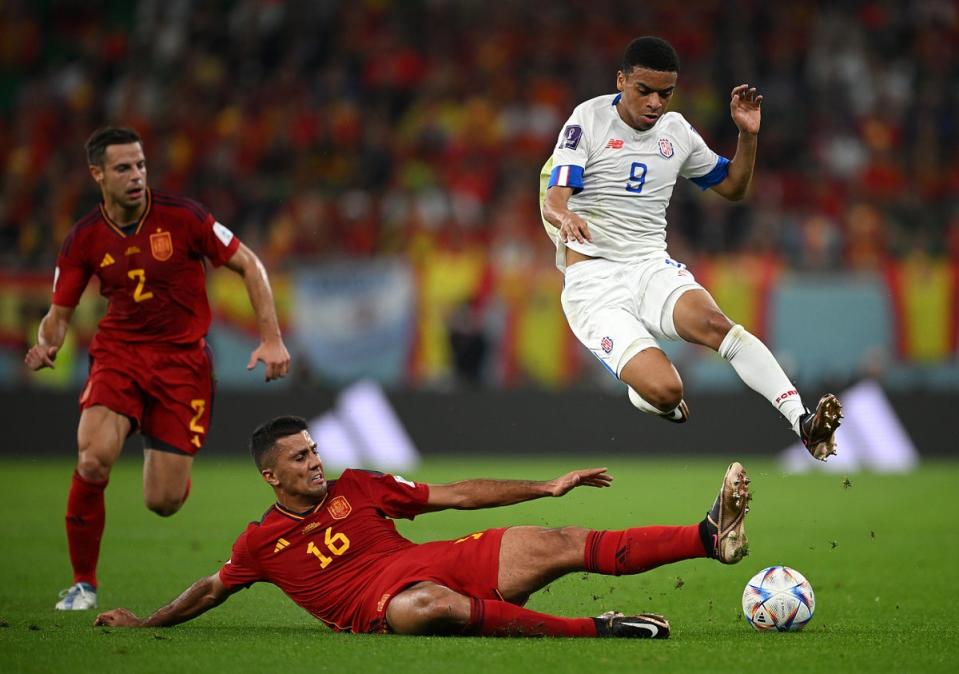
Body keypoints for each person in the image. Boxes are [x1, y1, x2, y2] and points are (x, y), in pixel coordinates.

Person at [94, 415, 750, 638]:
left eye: (315, 450)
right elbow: (211, 588)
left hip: (435, 559)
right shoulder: (260, 544)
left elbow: (456, 494)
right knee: (428, 606)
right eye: (300, 458)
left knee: (556, 541)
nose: (316, 463)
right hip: (384, 606)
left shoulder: (357, 486)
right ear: (272, 477)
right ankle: (598, 631)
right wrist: (147, 623)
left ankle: (708, 536)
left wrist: (542, 486)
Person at [24, 127, 291, 611]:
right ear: (97, 174)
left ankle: (159, 439)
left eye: (141, 165)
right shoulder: (83, 238)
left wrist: (272, 338)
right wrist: (46, 345)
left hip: (181, 365)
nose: (136, 176)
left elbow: (250, 264)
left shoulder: (184, 217)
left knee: (164, 502)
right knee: (92, 459)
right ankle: (83, 584)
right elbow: (58, 317)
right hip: (119, 357)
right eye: (124, 167)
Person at [539, 36, 841, 459]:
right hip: (594, 281)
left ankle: (802, 421)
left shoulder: (677, 132)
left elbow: (733, 188)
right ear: (621, 80)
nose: (654, 103)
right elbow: (555, 198)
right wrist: (565, 216)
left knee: (719, 326)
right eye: (644, 91)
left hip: (649, 266)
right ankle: (648, 396)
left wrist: (747, 136)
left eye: (665, 94)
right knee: (667, 390)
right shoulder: (586, 120)